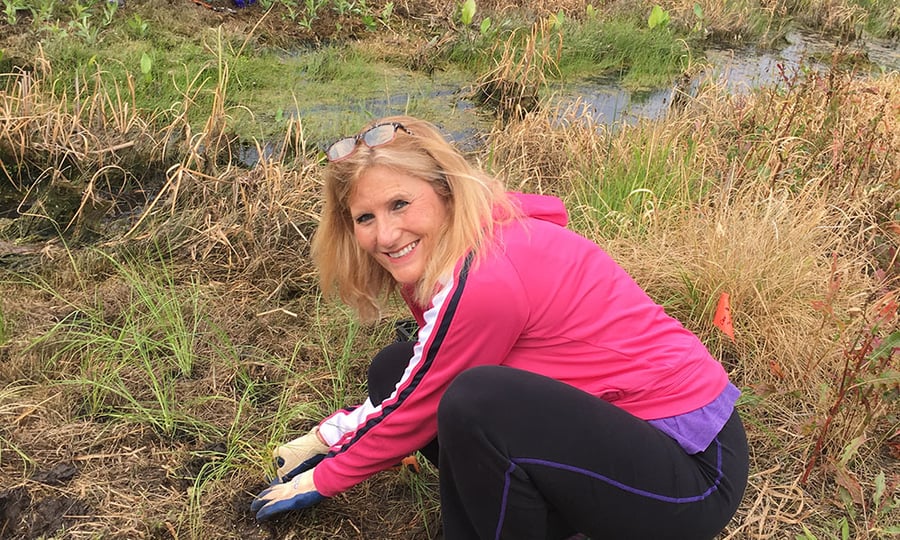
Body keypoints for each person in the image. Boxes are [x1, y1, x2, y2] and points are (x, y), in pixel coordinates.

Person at [250, 116, 749, 539]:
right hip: (622, 442)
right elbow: (418, 382)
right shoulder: (461, 246)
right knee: (395, 369)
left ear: (445, 191)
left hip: (694, 473)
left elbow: (425, 403)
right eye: (365, 217)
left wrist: (324, 476)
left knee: (476, 399)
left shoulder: (486, 277)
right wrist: (328, 439)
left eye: (400, 204)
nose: (385, 234)